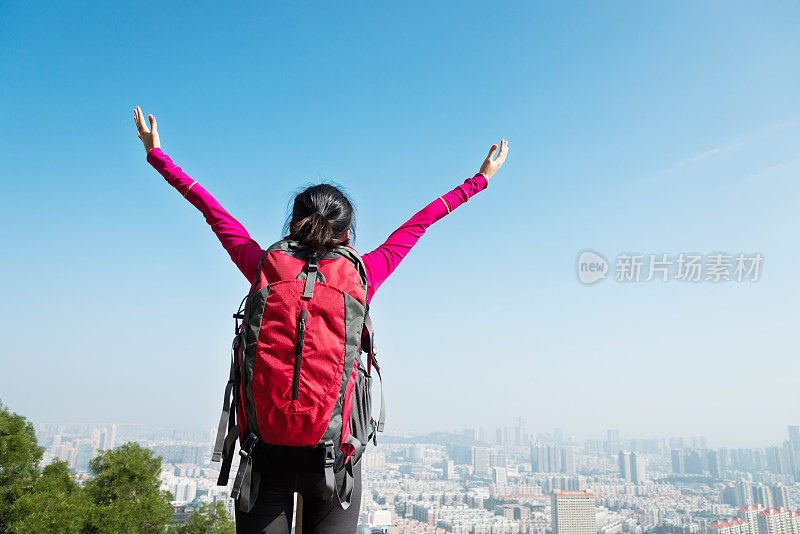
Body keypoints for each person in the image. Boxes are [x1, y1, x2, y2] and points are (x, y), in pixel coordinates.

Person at [132, 106, 509, 533]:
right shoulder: (362, 274)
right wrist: (478, 181)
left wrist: (157, 155)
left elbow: (211, 210)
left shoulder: (265, 266)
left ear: (293, 224)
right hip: (333, 463)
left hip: (263, 459)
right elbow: (418, 223)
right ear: (348, 232)